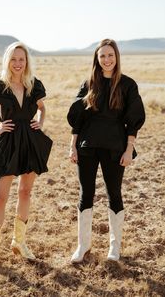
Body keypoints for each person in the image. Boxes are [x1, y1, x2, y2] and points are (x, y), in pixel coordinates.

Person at [0, 41, 52, 270]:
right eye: (14, 59)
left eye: (22, 59)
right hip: (7, 144)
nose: (18, 63)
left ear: (26, 62)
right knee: (0, 199)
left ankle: (19, 242)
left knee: (25, 192)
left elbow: (42, 107)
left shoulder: (33, 86)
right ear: (8, 61)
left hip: (30, 143)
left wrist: (40, 122)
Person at [67, 39, 145, 263]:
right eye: (102, 56)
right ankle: (83, 246)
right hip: (87, 147)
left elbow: (133, 121)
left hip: (115, 147)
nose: (107, 59)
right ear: (97, 58)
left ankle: (114, 247)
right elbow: (78, 120)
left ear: (117, 57)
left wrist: (129, 149)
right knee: (86, 194)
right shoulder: (89, 83)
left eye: (110, 55)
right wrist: (72, 146)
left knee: (114, 194)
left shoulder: (128, 85)